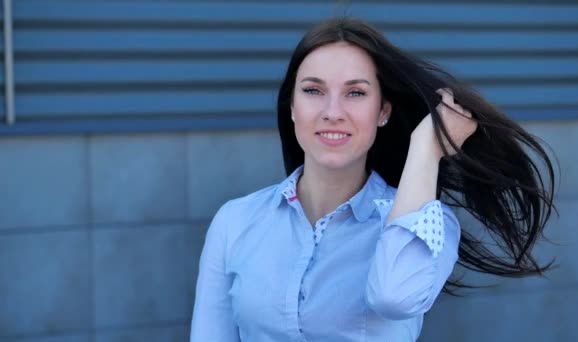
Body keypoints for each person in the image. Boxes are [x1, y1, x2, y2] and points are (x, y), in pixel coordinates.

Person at [190, 17, 555, 341]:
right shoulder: (235, 222)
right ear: (291, 106)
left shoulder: (429, 225)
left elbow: (395, 297)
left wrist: (426, 149)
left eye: (356, 93)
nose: (332, 112)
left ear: (382, 111)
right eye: (314, 90)